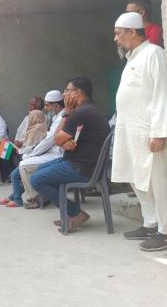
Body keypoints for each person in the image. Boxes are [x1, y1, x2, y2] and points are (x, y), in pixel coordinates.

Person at [112, 12, 167, 252]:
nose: (115, 39)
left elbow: (160, 96)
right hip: (130, 133)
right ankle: (151, 223)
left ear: (132, 32)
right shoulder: (132, 57)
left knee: (157, 182)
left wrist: (159, 133)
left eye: (118, 33)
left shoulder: (153, 53)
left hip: (149, 134)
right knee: (137, 181)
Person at [29, 77, 110, 232]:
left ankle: (75, 213)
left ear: (77, 93)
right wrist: (64, 141)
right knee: (40, 170)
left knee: (36, 180)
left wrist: (66, 113)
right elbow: (64, 138)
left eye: (66, 90)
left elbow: (56, 138)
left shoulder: (81, 112)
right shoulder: (89, 109)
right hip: (80, 161)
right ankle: (70, 212)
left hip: (83, 168)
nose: (64, 94)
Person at [0, 90, 64, 208]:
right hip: (34, 150)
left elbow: (46, 141)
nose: (45, 108)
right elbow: (30, 136)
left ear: (56, 105)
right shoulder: (52, 117)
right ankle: (11, 188)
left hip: (50, 153)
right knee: (8, 157)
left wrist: (28, 152)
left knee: (22, 165)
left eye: (47, 105)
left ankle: (33, 198)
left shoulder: (49, 118)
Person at [0, 110, 47, 207]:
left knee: (14, 175)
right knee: (18, 175)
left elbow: (26, 150)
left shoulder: (35, 131)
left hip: (30, 158)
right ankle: (12, 196)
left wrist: (13, 145)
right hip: (29, 155)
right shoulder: (41, 128)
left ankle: (17, 200)